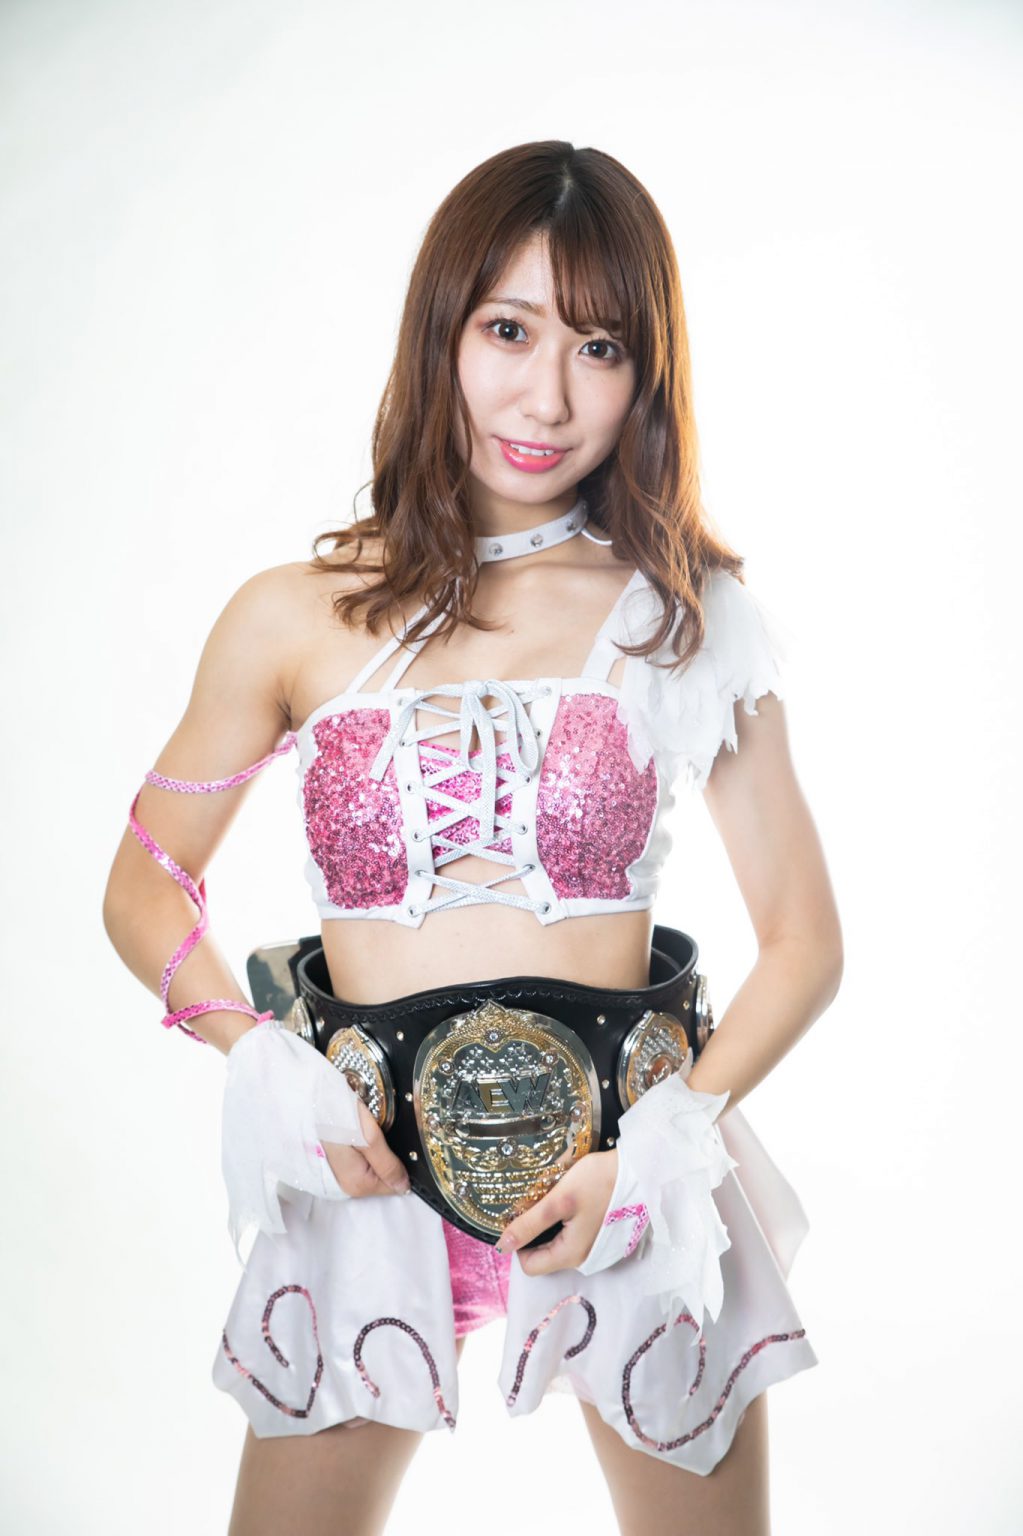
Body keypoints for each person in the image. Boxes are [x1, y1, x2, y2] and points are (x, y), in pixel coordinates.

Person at [103, 140, 843, 1536]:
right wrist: (261, 1061)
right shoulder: (292, 616)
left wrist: (664, 1145)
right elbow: (146, 884)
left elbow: (805, 941)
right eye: (509, 330)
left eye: (600, 347)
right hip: (364, 1179)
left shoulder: (685, 616)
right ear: (441, 327)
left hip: (625, 1180)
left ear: (648, 374)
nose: (546, 397)